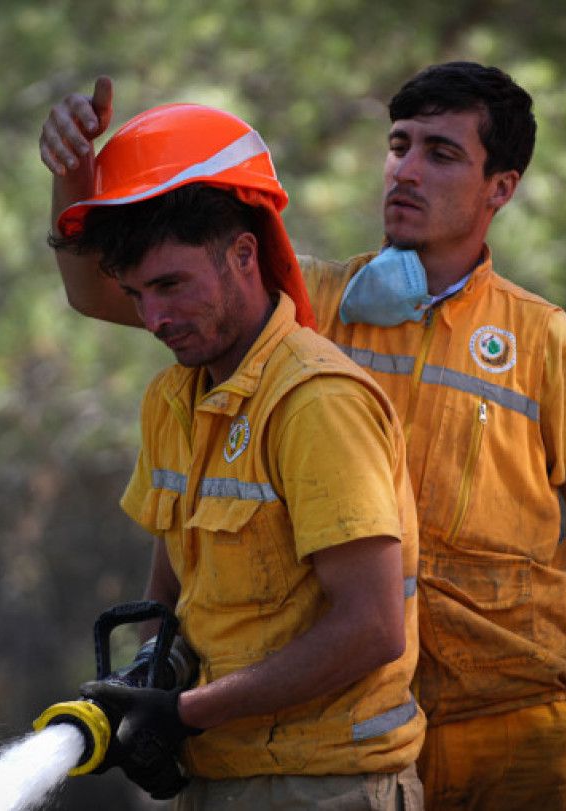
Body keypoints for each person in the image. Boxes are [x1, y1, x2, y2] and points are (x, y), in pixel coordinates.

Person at [40, 63, 566, 810]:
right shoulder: (307, 303)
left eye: (442, 152)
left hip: (512, 728)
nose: (406, 170)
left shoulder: (546, 340)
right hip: (361, 725)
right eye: (399, 146)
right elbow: (113, 286)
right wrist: (74, 179)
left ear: (502, 188)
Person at [49, 102, 425, 809]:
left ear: (245, 255)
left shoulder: (315, 403)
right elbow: (175, 594)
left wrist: (188, 713)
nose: (153, 319)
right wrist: (151, 682)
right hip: (222, 778)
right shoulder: (173, 399)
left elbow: (372, 626)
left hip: (331, 786)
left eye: (170, 285)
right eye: (136, 295)